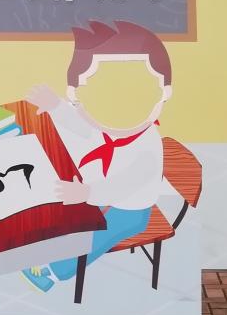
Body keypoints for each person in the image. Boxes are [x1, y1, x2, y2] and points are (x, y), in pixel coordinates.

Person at [21, 20, 172, 292]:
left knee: (97, 234)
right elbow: (81, 126)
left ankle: (54, 273)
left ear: (162, 93)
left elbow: (125, 184)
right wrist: (56, 106)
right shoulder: (104, 123)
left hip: (130, 208)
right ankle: (40, 249)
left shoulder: (147, 144)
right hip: (96, 192)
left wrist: (88, 193)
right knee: (53, 200)